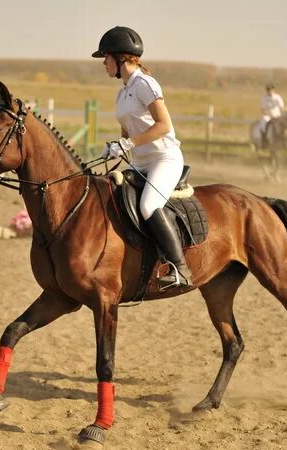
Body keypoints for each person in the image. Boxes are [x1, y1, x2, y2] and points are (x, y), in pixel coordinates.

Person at [93, 26, 191, 289]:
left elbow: (163, 125)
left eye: (106, 57)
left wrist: (127, 143)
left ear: (120, 57)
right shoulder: (123, 92)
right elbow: (128, 130)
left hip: (164, 159)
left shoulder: (145, 84)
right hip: (140, 162)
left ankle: (180, 268)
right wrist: (116, 146)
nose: (104, 63)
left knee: (148, 206)